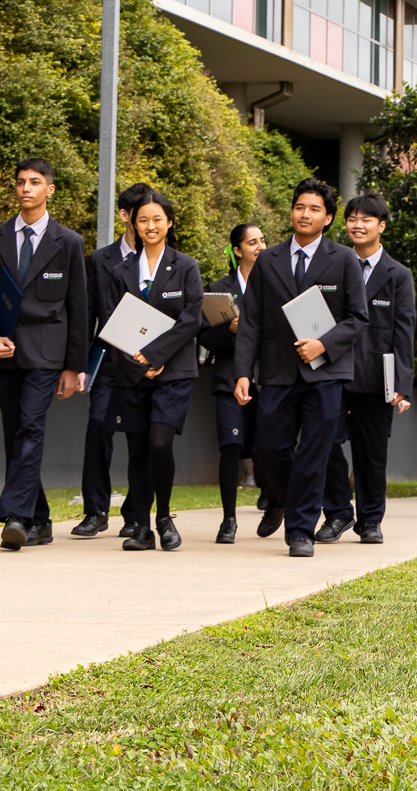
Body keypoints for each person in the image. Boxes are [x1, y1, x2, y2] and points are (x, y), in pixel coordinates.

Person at [234, 178, 367, 558]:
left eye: (314, 209)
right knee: (267, 447)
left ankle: (300, 531)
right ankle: (287, 499)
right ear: (291, 212)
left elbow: (358, 319)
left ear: (327, 219)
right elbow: (251, 322)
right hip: (276, 372)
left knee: (314, 451)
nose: (304, 214)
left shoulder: (343, 259)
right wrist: (243, 371)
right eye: (299, 207)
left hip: (326, 372)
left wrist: (323, 343)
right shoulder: (268, 260)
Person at [0, 158, 87, 551]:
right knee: (14, 434)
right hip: (5, 353)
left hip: (47, 356)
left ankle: (16, 516)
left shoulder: (68, 243)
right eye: (20, 182)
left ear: (50, 190)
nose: (26, 188)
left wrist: (74, 367)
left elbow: (78, 309)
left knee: (31, 429)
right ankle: (43, 519)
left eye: (35, 182)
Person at [104, 188, 205, 551]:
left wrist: (155, 356)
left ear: (169, 223)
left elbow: (191, 319)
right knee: (137, 451)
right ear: (132, 222)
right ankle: (142, 528)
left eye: (157, 219)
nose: (150, 225)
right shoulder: (120, 271)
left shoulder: (186, 266)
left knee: (160, 443)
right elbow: (115, 322)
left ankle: (164, 516)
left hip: (173, 373)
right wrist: (137, 362)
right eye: (142, 219)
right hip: (131, 373)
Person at [317, 195, 416, 544]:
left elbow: (404, 331)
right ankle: (339, 511)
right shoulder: (333, 266)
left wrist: (402, 382)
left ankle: (371, 520)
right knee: (323, 441)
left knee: (371, 453)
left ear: (382, 225)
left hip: (375, 379)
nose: (358, 225)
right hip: (331, 371)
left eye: (366, 219)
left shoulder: (398, 275)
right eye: (352, 219)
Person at [73, 182, 153, 539]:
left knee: (146, 437)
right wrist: (78, 363)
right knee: (98, 426)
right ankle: (95, 510)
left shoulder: (165, 259)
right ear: (125, 216)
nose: (147, 224)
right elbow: (87, 311)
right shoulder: (100, 259)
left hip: (150, 361)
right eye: (139, 216)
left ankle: (136, 513)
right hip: (108, 360)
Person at [199, 221, 267, 543]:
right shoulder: (219, 288)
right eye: (252, 242)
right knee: (230, 447)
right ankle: (228, 520)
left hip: (267, 379)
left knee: (268, 447)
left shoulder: (276, 285)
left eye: (262, 240)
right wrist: (230, 330)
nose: (260, 246)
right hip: (228, 378)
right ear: (237, 251)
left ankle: (274, 500)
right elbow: (207, 339)